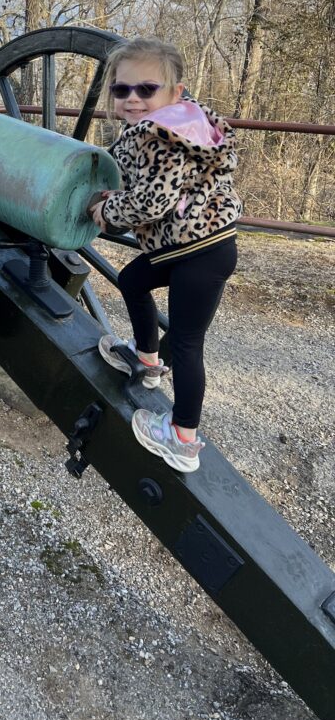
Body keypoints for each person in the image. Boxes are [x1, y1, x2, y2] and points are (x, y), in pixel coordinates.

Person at [89, 37, 242, 473]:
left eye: (146, 89)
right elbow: (123, 160)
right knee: (133, 280)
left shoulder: (166, 136)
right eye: (122, 90)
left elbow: (152, 202)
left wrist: (106, 210)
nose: (133, 99)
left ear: (175, 93)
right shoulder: (172, 124)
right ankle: (147, 360)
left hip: (201, 253)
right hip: (187, 246)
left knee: (190, 345)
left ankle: (182, 439)